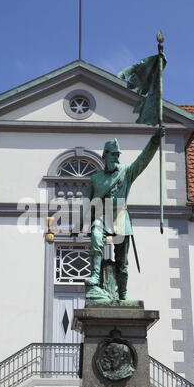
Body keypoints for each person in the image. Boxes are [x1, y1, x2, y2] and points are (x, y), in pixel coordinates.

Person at [74, 126, 165, 300]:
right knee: (95, 234)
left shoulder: (126, 172)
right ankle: (94, 274)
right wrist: (78, 224)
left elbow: (142, 160)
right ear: (105, 155)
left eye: (118, 154)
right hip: (102, 214)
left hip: (121, 218)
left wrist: (154, 141)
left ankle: (123, 294)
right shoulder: (95, 179)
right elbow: (86, 203)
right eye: (114, 154)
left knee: (122, 260)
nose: (116, 157)